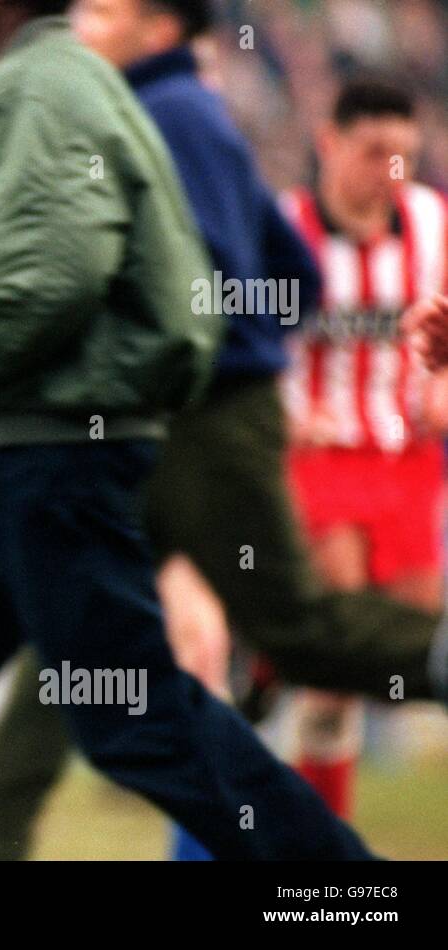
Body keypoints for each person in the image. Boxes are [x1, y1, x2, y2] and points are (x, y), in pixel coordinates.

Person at [0, 0, 375, 861]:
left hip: (51, 458)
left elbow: (48, 284)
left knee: (137, 718)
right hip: (6, 458)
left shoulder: (42, 85)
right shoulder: (58, 80)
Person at [0, 0, 448, 864]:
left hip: (198, 417)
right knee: (81, 649)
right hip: (171, 418)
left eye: (106, 9)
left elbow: (199, 280)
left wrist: (199, 352)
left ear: (159, 29)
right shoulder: (191, 112)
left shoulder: (165, 113)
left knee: (293, 630)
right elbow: (294, 269)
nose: (85, 23)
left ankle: (332, 858)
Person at [279, 75, 448, 822]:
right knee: (339, 662)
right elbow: (243, 344)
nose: (391, 171)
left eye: (404, 154)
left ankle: (272, 659)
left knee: (421, 646)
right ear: (330, 144)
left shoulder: (433, 223)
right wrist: (286, 413)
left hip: (410, 462)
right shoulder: (284, 228)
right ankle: (326, 846)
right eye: (375, 151)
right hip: (321, 463)